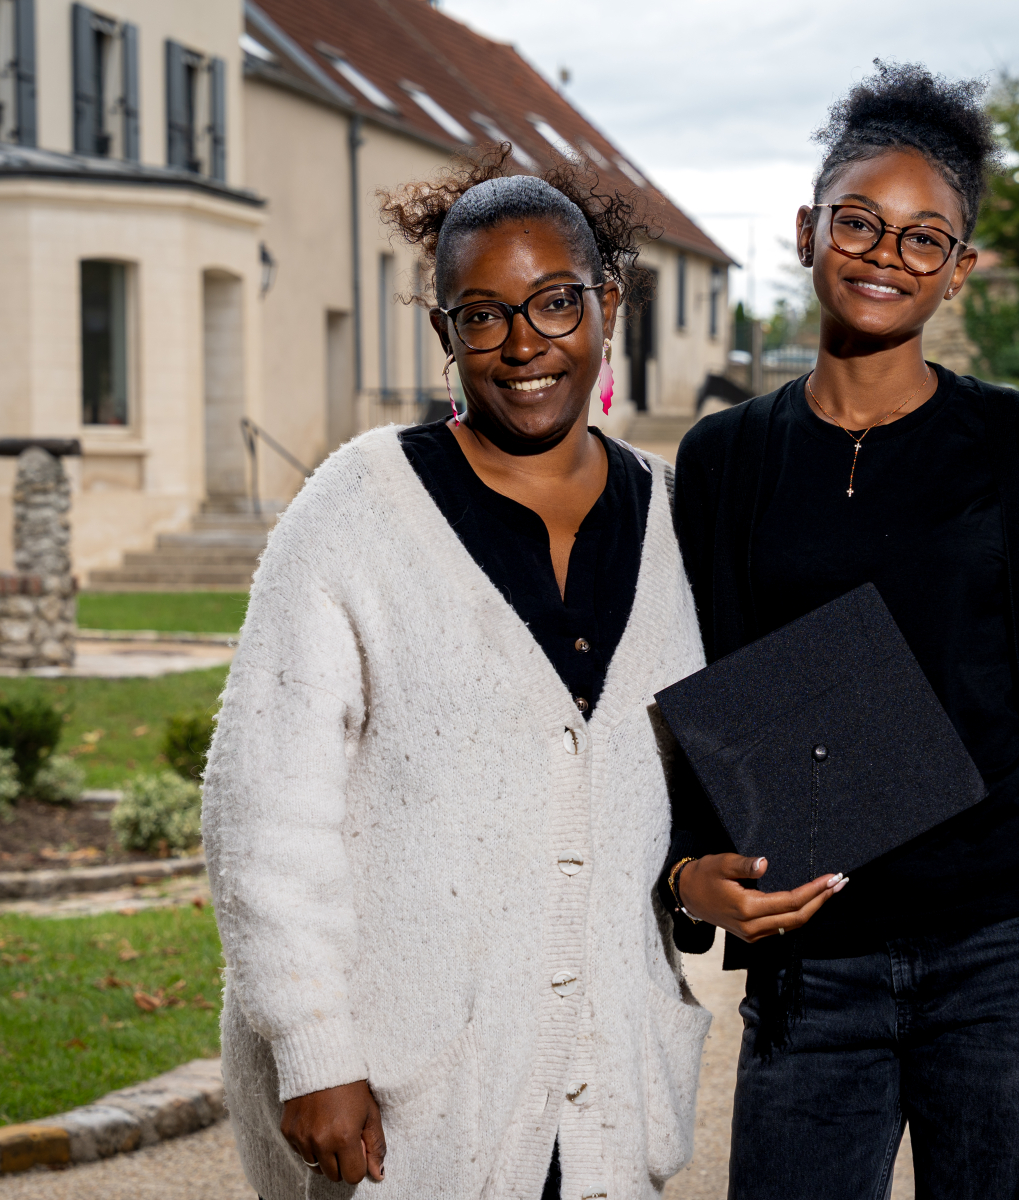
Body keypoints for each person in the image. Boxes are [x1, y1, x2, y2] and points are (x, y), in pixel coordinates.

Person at [663, 63, 1019, 1200]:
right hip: (811, 971)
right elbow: (689, 690)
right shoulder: (726, 459)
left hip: (1000, 963)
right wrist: (689, 875)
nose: (887, 254)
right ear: (807, 232)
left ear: (959, 271)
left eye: (925, 238)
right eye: (860, 222)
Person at [203, 149, 713, 1200]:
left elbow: (694, 782)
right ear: (445, 335)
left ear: (609, 304)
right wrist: (311, 1047)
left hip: (605, 1088)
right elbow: (262, 803)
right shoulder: (357, 510)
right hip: (409, 1100)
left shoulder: (676, 519)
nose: (525, 344)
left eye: (556, 302)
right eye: (483, 315)